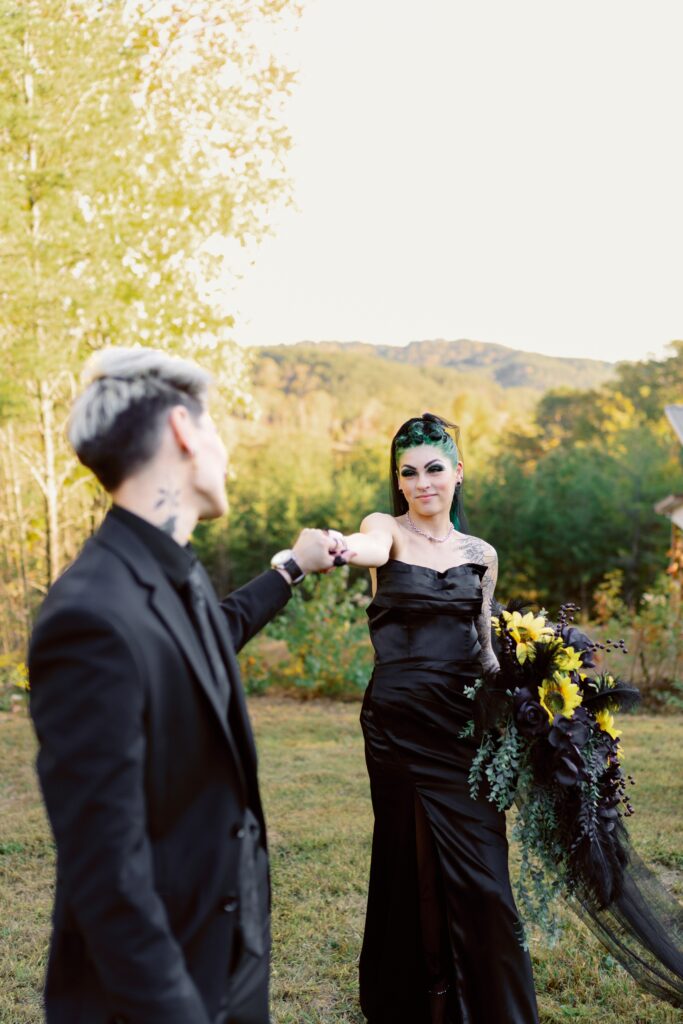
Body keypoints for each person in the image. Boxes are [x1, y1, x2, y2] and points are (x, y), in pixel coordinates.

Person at [28, 346, 346, 1024]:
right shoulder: (87, 616)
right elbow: (106, 874)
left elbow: (209, 634)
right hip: (158, 993)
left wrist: (290, 568)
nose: (225, 453)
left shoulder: (167, 568)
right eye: (216, 430)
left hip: (222, 956)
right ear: (182, 431)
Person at [326, 413, 539, 1024]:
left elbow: (485, 646)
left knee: (484, 875)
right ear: (398, 481)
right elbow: (366, 547)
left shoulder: (481, 555)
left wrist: (533, 703)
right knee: (410, 865)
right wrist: (340, 548)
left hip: (463, 726)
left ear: (457, 473)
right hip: (396, 724)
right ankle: (421, 1004)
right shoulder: (382, 531)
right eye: (409, 473)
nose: (422, 484)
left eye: (434, 469)